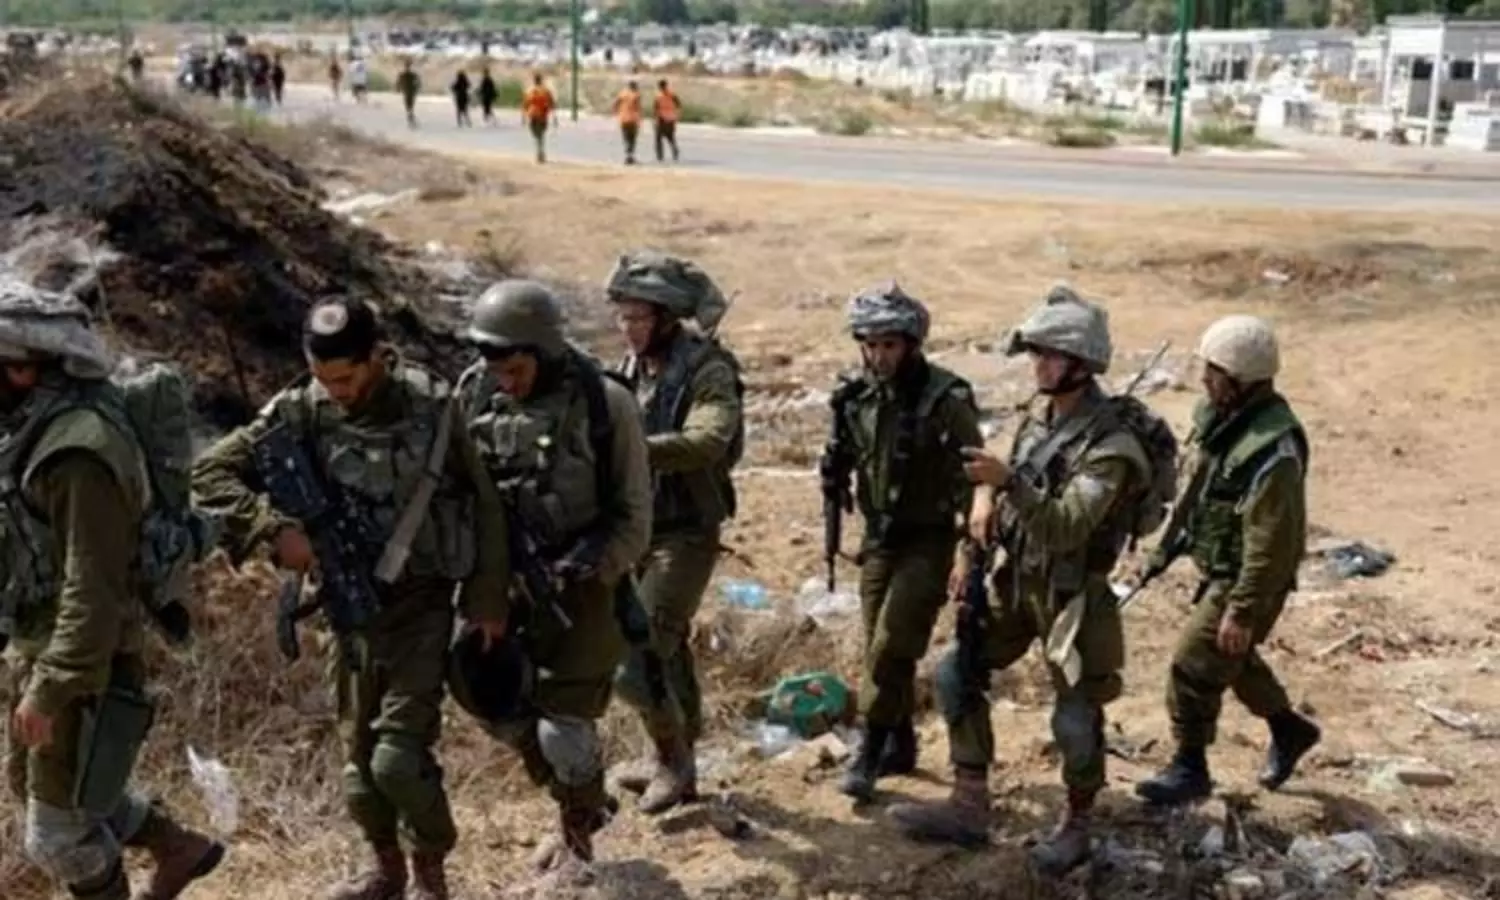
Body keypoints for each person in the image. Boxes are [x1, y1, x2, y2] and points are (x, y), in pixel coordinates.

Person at [192, 297, 511, 900]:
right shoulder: (300, 409)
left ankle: (431, 873)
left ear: (375, 359)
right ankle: (385, 873)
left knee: (399, 759)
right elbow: (210, 473)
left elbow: (485, 503)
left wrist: (488, 599)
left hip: (422, 602)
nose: (334, 391)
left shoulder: (431, 405)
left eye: (344, 378)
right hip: (348, 609)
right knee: (360, 765)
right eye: (321, 377)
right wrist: (270, 528)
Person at [889, 285, 1155, 877]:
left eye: (1048, 355)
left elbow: (1066, 527)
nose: (1037, 365)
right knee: (957, 671)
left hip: (1073, 599)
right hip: (1016, 584)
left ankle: (1078, 825)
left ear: (1081, 363)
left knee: (1075, 716)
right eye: (1035, 353)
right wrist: (978, 522)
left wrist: (1008, 483)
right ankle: (969, 803)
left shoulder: (1112, 448)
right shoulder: (1038, 418)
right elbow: (995, 475)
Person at [1, 285, 225, 900]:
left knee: (57, 837)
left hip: (85, 662)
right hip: (44, 643)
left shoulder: (78, 452)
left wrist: (51, 687)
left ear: (22, 370)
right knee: (50, 792)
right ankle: (178, 847)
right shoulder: (32, 429)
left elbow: (92, 588)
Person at [447, 281, 652, 883]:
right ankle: (583, 798)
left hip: (582, 591)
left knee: (564, 727)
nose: (505, 382)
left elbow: (635, 519)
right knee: (485, 695)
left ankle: (577, 845)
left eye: (516, 369)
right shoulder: (473, 393)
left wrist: (588, 567)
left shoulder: (605, 404)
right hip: (498, 582)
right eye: (497, 370)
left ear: (544, 350)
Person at [1133, 315, 1321, 806]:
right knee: (1230, 658)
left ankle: (1190, 767)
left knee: (1193, 664)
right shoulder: (1224, 418)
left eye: (1214, 373)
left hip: (1250, 577)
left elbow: (1270, 541)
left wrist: (1242, 608)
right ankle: (1289, 728)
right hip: (1224, 566)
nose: (1204, 380)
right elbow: (1197, 489)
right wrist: (1164, 551)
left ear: (1241, 380)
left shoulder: (1274, 449)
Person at [818, 283, 981, 802]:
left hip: (930, 539)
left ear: (911, 344)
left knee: (892, 645)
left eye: (889, 344)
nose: (879, 356)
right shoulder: (857, 398)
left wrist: (968, 552)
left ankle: (868, 751)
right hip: (880, 539)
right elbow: (846, 457)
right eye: (871, 345)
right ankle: (900, 743)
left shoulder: (946, 399)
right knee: (879, 646)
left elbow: (974, 479)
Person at [604, 252, 745, 815]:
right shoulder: (631, 368)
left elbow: (709, 439)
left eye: (639, 318)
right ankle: (675, 757)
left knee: (637, 652)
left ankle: (673, 759)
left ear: (666, 318)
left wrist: (634, 450)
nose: (629, 329)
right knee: (667, 649)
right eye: (623, 317)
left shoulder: (708, 369)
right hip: (636, 529)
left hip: (685, 531)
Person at [522, 74, 557, 164]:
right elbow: (552, 103)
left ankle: (539, 154)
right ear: (541, 80)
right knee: (540, 135)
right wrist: (554, 117)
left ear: (534, 80)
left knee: (537, 135)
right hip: (542, 115)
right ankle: (540, 153)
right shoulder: (546, 91)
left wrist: (523, 117)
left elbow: (525, 104)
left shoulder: (529, 91)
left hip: (533, 115)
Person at [612, 80, 643, 165]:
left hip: (623, 119)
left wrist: (616, 113)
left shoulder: (622, 93)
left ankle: (628, 157)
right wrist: (639, 120)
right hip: (633, 120)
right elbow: (638, 108)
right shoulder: (636, 95)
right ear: (635, 87)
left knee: (626, 138)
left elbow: (615, 104)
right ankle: (630, 157)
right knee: (632, 139)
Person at [652, 78, 680, 163]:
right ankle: (674, 152)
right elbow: (678, 106)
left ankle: (660, 157)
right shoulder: (672, 94)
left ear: (659, 87)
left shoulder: (658, 96)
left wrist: (655, 120)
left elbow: (655, 109)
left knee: (659, 138)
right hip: (670, 118)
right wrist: (676, 117)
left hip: (662, 119)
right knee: (670, 137)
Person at [397, 61, 421, 128]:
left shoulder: (410, 75)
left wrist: (417, 88)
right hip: (408, 91)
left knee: (409, 104)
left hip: (409, 91)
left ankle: (410, 114)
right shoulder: (405, 75)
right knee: (409, 104)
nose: (407, 67)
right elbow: (399, 82)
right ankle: (410, 114)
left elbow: (418, 82)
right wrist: (398, 88)